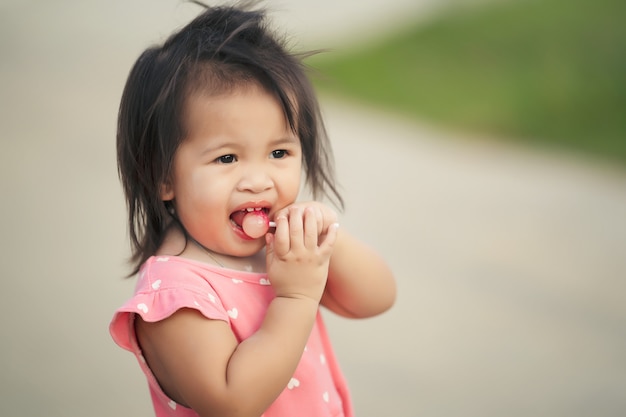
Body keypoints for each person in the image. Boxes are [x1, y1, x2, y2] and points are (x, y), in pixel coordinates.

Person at [109, 3, 396, 417]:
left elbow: (377, 298)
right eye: (227, 159)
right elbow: (233, 401)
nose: (259, 180)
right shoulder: (176, 293)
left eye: (279, 152)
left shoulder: (278, 249)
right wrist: (296, 295)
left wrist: (326, 237)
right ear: (163, 176)